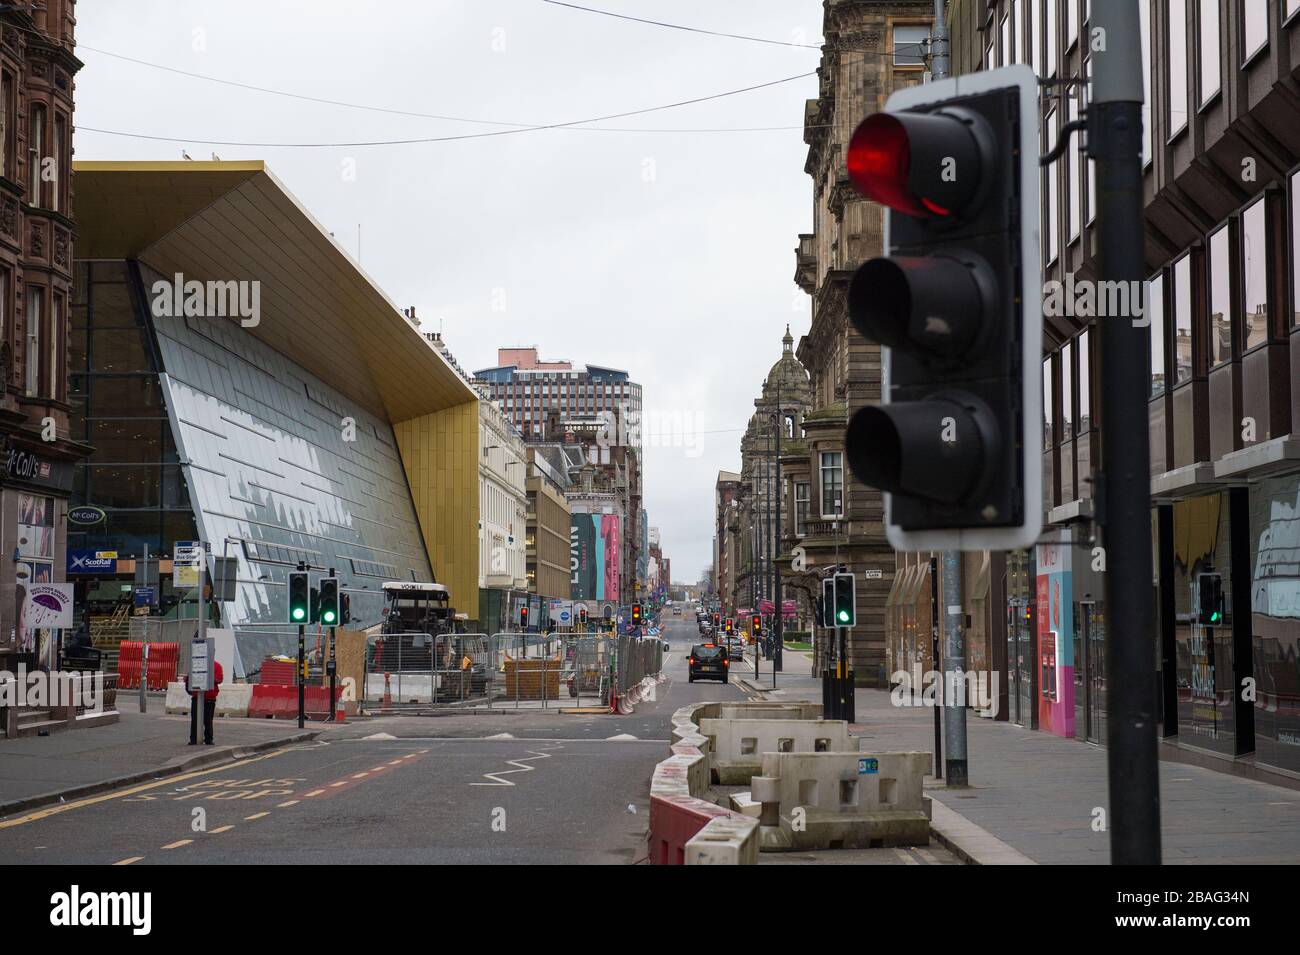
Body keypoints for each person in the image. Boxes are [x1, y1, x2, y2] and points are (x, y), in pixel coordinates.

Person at [186, 656, 223, 746]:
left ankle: (205, 739)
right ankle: (199, 739)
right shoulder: (215, 665)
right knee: (198, 720)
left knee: (206, 720)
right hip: (199, 696)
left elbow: (219, 680)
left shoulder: (216, 666)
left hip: (208, 697)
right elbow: (189, 678)